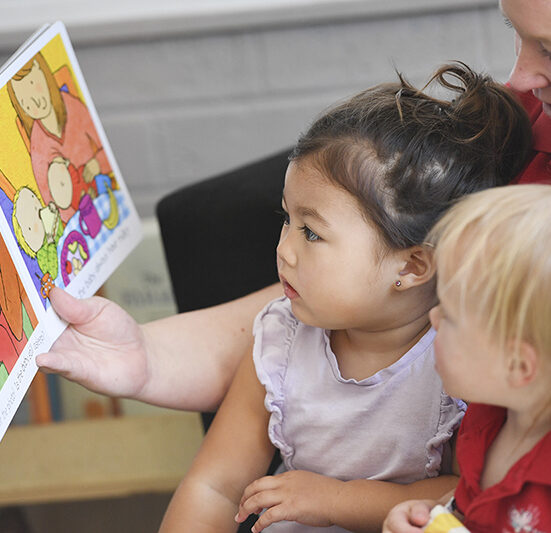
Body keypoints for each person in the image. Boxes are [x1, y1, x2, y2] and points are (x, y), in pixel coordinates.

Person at [35, 0, 551, 416]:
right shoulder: (517, 124)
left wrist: (335, 501)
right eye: (515, 30)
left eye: (548, 49)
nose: (520, 76)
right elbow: (308, 307)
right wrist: (143, 357)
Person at [156, 62, 530, 532]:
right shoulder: (280, 342)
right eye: (286, 219)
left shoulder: (458, 361)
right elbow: (214, 486)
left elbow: (465, 495)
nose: (283, 249)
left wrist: (338, 499)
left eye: (311, 233)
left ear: (411, 267)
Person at [382, 184, 551, 532]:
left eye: (451, 317)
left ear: (517, 366)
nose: (433, 318)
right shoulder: (487, 417)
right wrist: (437, 516)